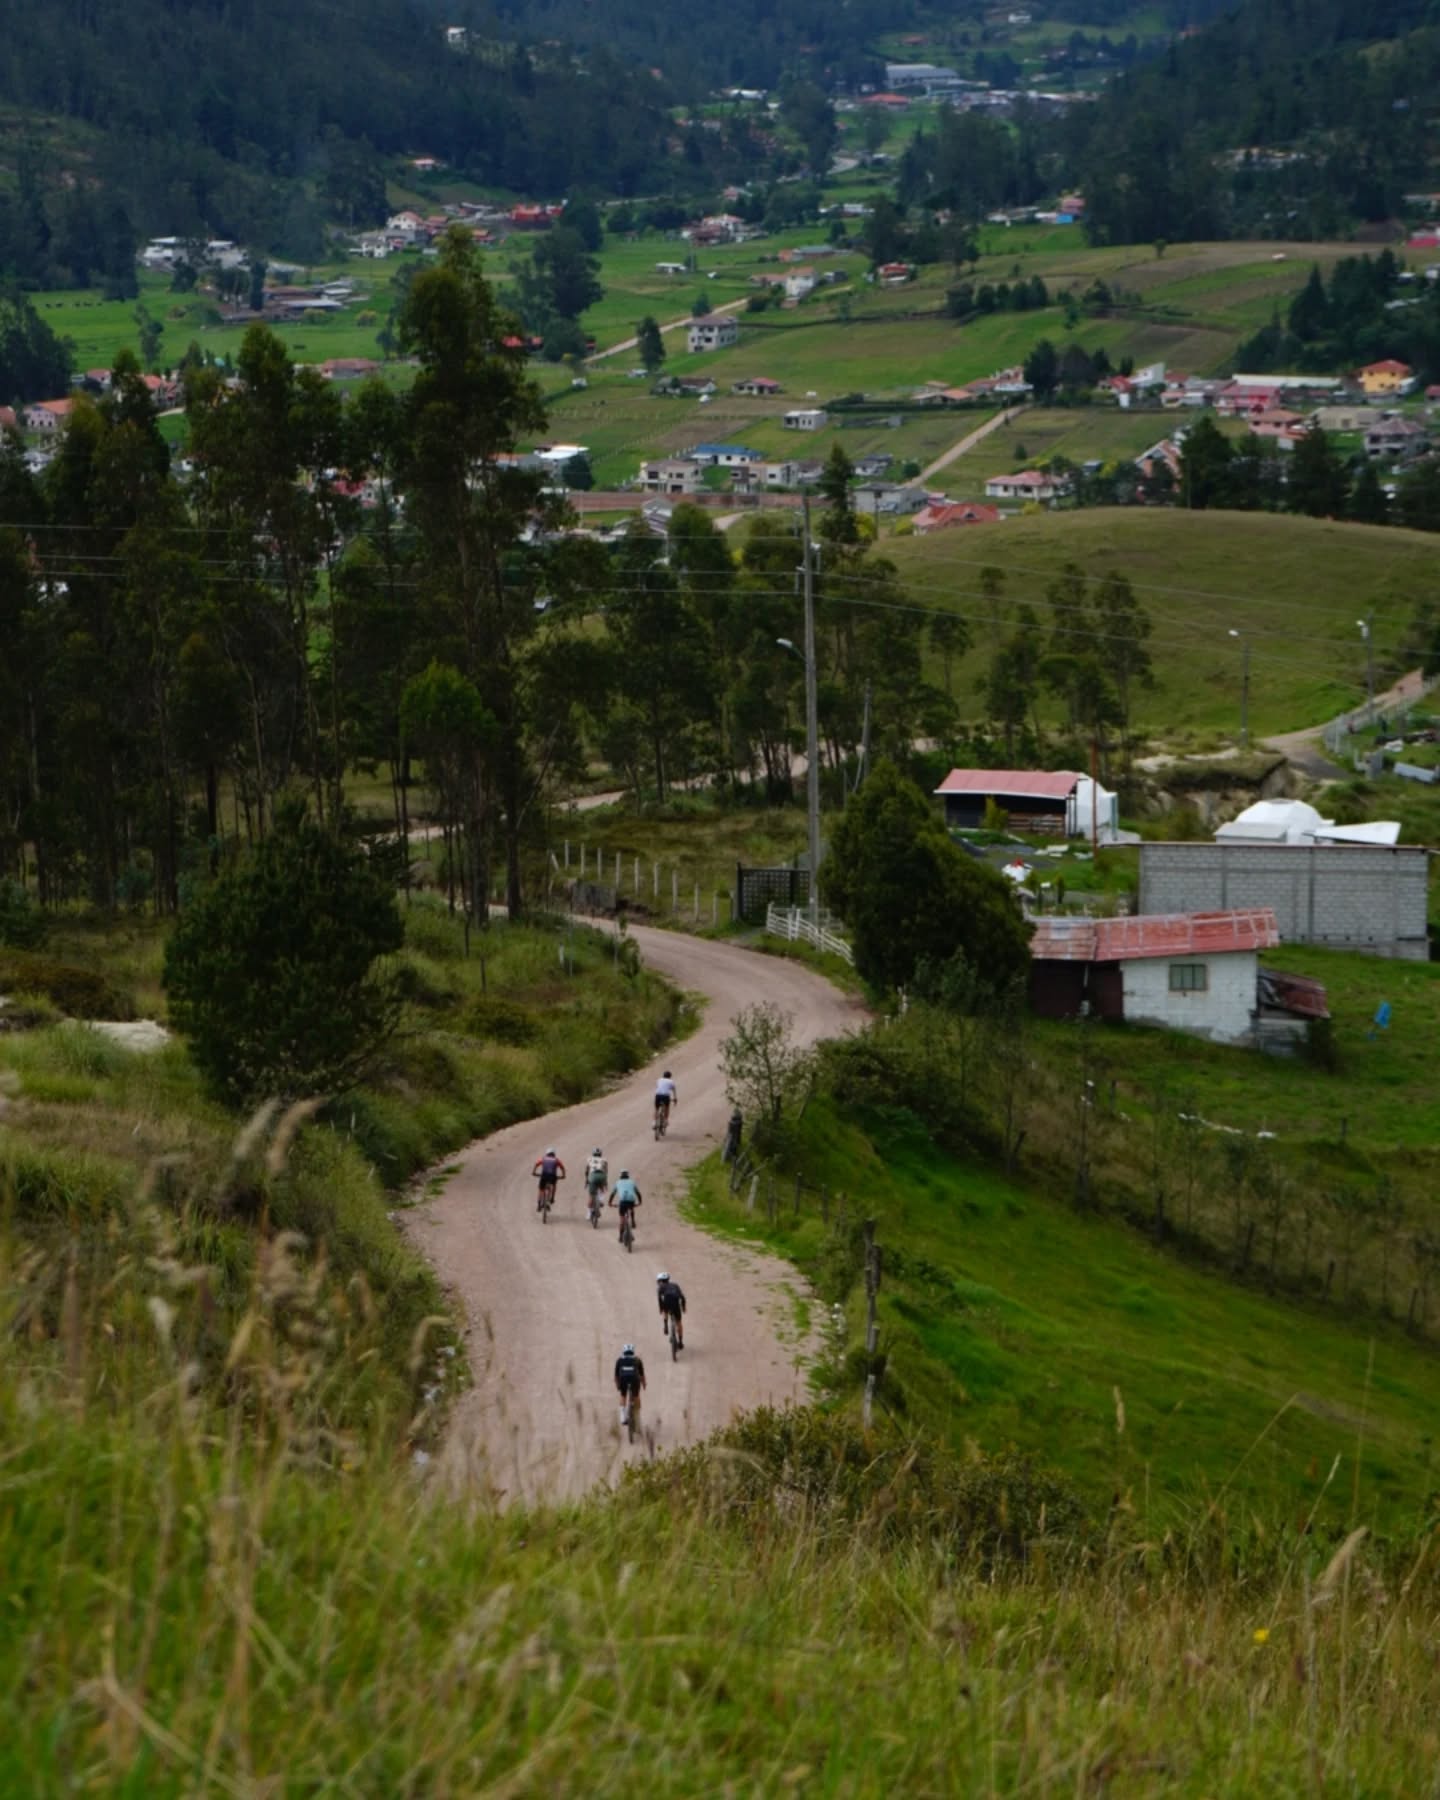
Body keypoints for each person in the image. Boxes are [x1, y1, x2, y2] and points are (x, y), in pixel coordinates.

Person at [615, 1341, 646, 1428]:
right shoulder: (637, 1360)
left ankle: (622, 1417)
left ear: (623, 1352)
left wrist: (618, 1386)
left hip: (623, 1379)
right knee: (636, 1396)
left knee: (623, 1395)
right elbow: (642, 1375)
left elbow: (616, 1376)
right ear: (633, 1351)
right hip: (634, 1379)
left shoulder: (619, 1360)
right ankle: (637, 1415)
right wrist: (644, 1384)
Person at [609, 1168, 641, 1242]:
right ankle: (633, 1221)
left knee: (622, 1219)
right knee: (631, 1207)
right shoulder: (632, 1182)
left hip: (623, 1201)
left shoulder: (618, 1182)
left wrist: (610, 1203)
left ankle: (620, 1236)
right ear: (628, 1175)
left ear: (620, 1175)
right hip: (631, 1201)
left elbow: (612, 1194)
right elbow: (638, 1193)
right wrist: (640, 1202)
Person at [656, 1271, 686, 1349]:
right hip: (676, 1304)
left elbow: (659, 1299)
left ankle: (665, 1325)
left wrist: (661, 1309)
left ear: (660, 1281)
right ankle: (680, 1342)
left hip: (667, 1303)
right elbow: (682, 1296)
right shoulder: (675, 1285)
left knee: (665, 1309)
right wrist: (683, 1307)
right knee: (679, 1322)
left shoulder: (660, 1287)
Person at [531, 1146, 565, 1211]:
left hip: (544, 1175)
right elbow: (562, 1168)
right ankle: (552, 1198)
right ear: (554, 1154)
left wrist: (534, 1172)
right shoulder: (556, 1160)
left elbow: (536, 1164)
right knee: (554, 1185)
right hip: (552, 1176)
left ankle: (539, 1204)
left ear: (547, 1153)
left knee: (541, 1189)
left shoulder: (543, 1159)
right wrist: (563, 1176)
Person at [585, 1146, 609, 1216]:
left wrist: (586, 1180)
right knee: (602, 1189)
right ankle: (601, 1200)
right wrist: (605, 1183)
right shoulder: (604, 1160)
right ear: (600, 1154)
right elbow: (606, 1171)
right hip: (602, 1176)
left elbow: (587, 1171)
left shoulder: (589, 1159)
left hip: (593, 1176)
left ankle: (589, 1213)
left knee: (591, 1195)